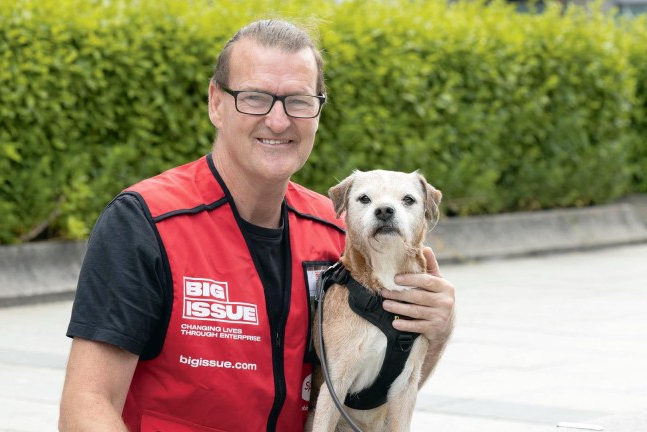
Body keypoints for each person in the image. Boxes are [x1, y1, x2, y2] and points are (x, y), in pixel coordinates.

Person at [58, 19, 455, 432]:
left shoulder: (339, 237)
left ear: (318, 111)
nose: (279, 121)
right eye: (255, 98)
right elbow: (87, 404)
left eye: (299, 101)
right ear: (216, 102)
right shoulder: (144, 223)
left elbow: (363, 402)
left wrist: (433, 331)